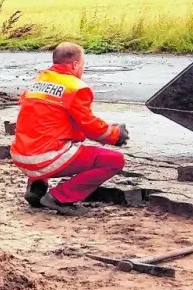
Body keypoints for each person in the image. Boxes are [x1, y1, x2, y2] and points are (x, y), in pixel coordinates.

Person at [10, 42, 129, 216]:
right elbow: (91, 128)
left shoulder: (39, 81)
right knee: (115, 160)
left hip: (20, 155)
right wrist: (116, 134)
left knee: (43, 135)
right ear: (74, 64)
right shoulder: (75, 88)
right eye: (82, 64)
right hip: (45, 159)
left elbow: (51, 123)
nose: (82, 69)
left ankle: (36, 188)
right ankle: (60, 198)